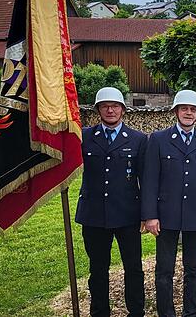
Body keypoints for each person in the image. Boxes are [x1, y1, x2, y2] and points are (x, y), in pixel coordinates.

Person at [142, 90, 196, 317]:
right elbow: (149, 180)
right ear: (176, 111)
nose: (188, 113)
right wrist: (150, 215)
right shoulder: (158, 139)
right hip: (165, 215)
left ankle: (191, 313)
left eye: (193, 109)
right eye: (184, 108)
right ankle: (166, 313)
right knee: (164, 270)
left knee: (193, 269)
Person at [75, 87, 146, 317]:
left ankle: (136, 311)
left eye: (115, 106)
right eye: (105, 106)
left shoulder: (137, 140)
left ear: (123, 110)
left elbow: (144, 179)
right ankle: (99, 312)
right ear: (97, 110)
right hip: (94, 215)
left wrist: (147, 213)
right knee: (98, 269)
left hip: (127, 215)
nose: (110, 110)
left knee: (133, 268)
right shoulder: (83, 136)